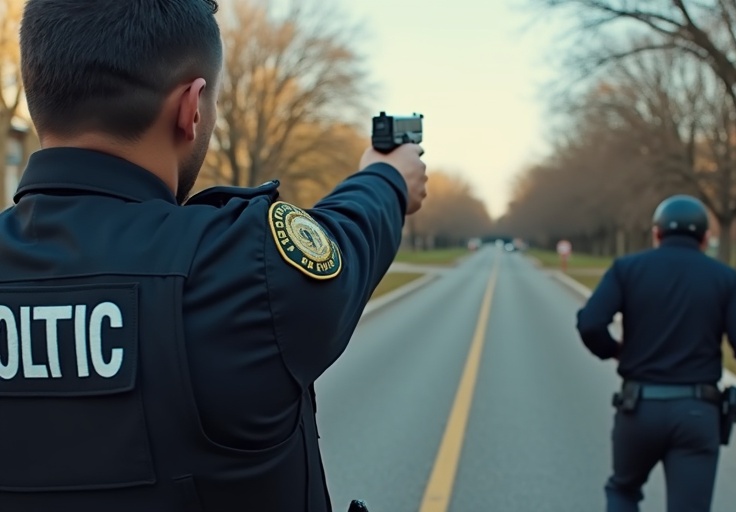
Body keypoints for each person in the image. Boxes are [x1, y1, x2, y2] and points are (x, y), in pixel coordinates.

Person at [0, 1, 427, 511]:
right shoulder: (241, 268)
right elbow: (350, 236)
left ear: (38, 92)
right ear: (192, 108)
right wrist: (388, 177)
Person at [576, 194, 736, 512]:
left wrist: (615, 351)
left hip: (639, 408)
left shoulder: (627, 270)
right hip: (697, 412)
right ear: (706, 238)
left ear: (656, 234)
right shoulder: (725, 279)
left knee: (623, 491)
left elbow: (590, 324)